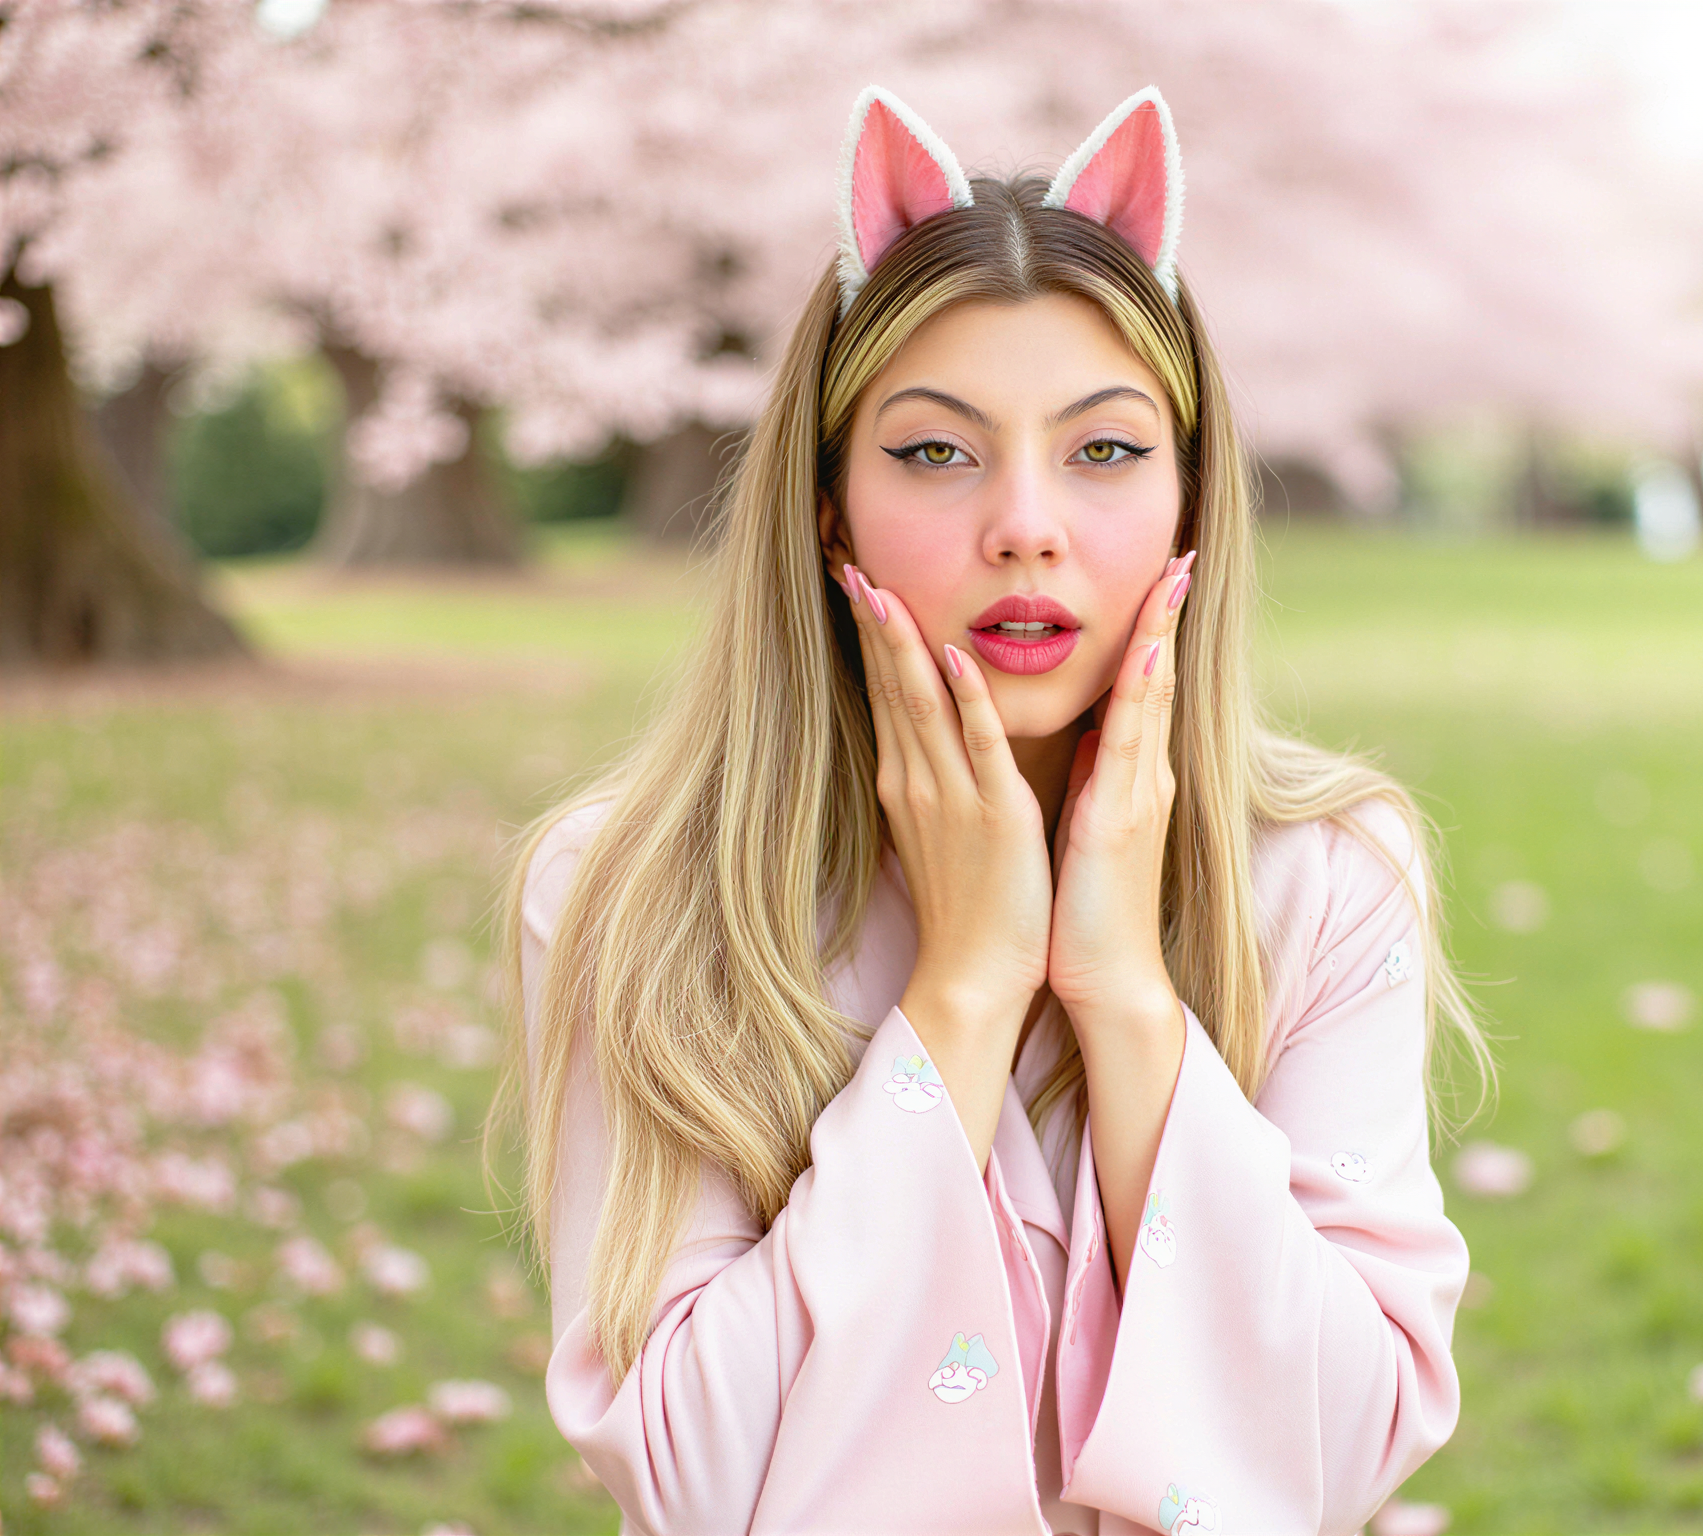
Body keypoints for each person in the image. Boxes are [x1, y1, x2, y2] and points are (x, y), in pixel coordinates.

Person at [495, 84, 1492, 1536]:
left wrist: (1127, 1001)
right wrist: (960, 996)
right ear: (827, 503)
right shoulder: (634, 891)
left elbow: (1351, 1443)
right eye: (935, 451)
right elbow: (691, 1480)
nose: (1025, 523)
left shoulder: (1327, 879)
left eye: (1103, 451)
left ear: (1192, 501)